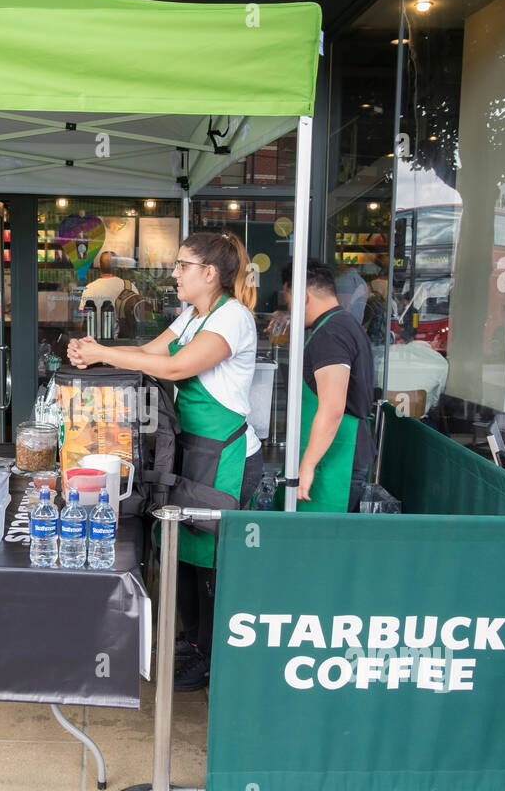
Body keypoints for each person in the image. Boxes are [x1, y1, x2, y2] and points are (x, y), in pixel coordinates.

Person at [67, 231, 262, 692]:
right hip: (197, 451)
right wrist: (94, 357)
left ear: (209, 273)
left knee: (215, 558)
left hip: (229, 457)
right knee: (191, 555)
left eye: (182, 265)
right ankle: (194, 642)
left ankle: (214, 656)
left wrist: (101, 352)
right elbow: (150, 354)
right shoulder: (193, 315)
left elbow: (176, 368)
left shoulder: (232, 318)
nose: (174, 274)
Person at [289, 261, 376, 512]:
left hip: (338, 459)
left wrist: (307, 466)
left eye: (289, 301)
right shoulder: (340, 324)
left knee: (324, 544)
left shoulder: (332, 333)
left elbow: (333, 408)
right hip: (335, 455)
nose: (290, 310)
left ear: (304, 296)